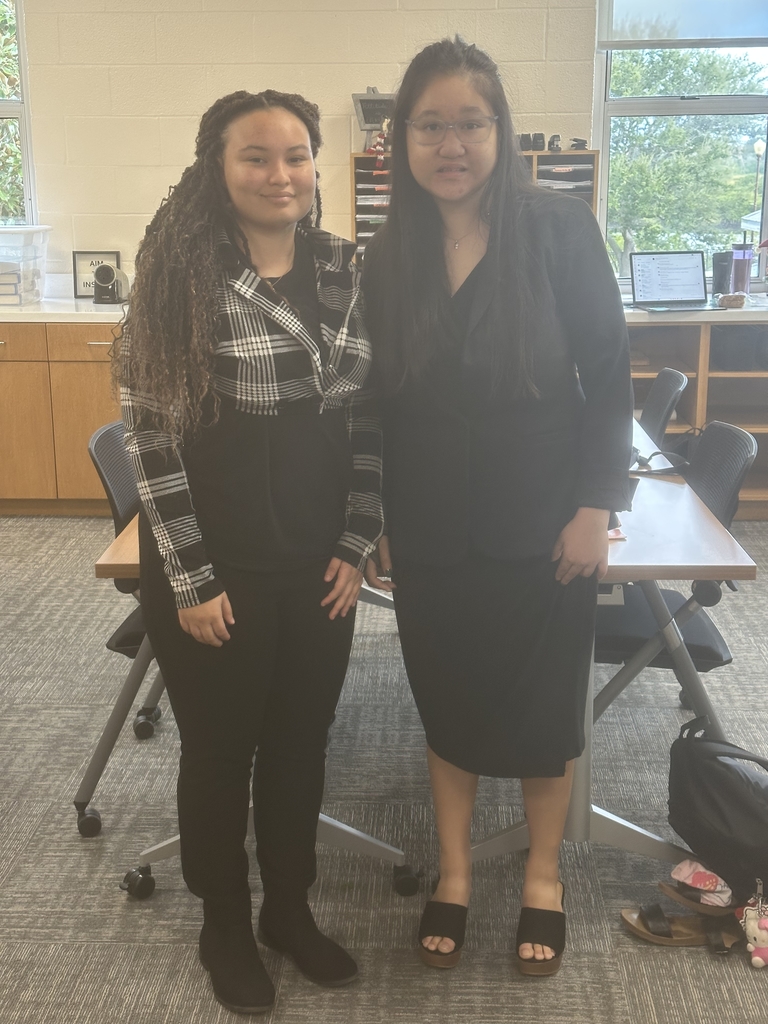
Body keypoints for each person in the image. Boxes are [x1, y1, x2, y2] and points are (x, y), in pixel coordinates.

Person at [363, 38, 633, 976]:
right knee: (450, 705)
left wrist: (599, 504)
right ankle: (453, 874)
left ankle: (544, 878)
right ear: (401, 138)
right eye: (430, 124)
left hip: (544, 522)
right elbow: (374, 404)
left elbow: (606, 379)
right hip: (430, 530)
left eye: (469, 123)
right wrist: (376, 518)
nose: (450, 143)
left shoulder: (558, 230)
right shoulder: (389, 251)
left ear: (499, 131)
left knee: (541, 712)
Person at [118, 90, 383, 1014]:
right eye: (257, 157)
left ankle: (289, 910)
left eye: (298, 155)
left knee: (302, 744)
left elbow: (367, 418)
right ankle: (224, 921)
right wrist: (190, 577)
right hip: (214, 566)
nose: (282, 175)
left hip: (317, 564)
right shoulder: (179, 276)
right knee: (222, 750)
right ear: (217, 169)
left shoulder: (347, 268)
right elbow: (150, 440)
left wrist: (356, 541)